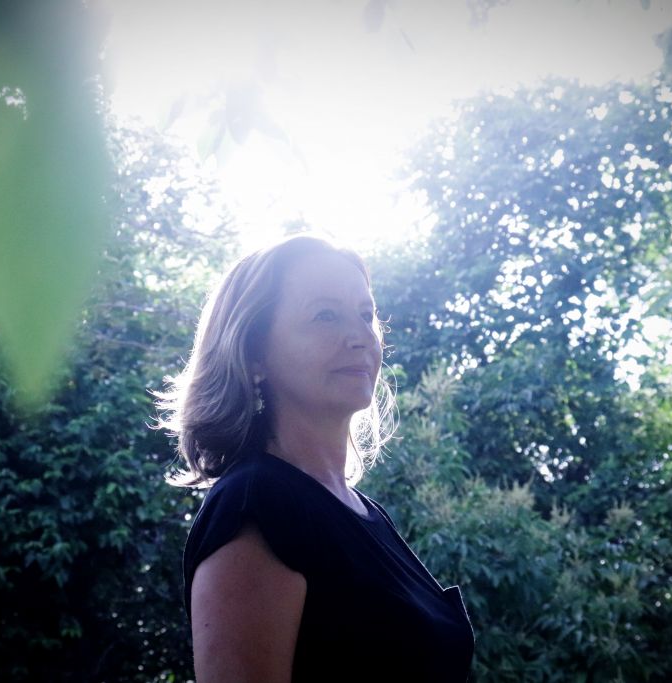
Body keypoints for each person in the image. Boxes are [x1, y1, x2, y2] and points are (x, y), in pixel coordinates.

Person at [156, 234, 474, 682]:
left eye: (366, 315)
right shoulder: (255, 505)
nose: (360, 337)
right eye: (325, 315)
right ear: (254, 353)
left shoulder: (364, 512)